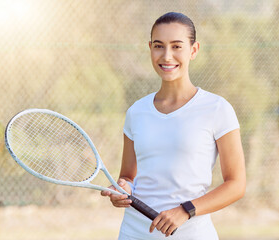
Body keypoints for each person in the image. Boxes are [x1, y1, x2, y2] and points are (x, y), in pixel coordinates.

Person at [101, 12, 246, 240]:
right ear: (150, 48)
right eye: (159, 46)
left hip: (192, 234)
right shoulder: (136, 112)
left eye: (177, 46)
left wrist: (185, 211)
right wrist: (123, 189)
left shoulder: (217, 108)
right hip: (134, 232)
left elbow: (236, 184)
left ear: (194, 50)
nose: (167, 56)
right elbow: (128, 176)